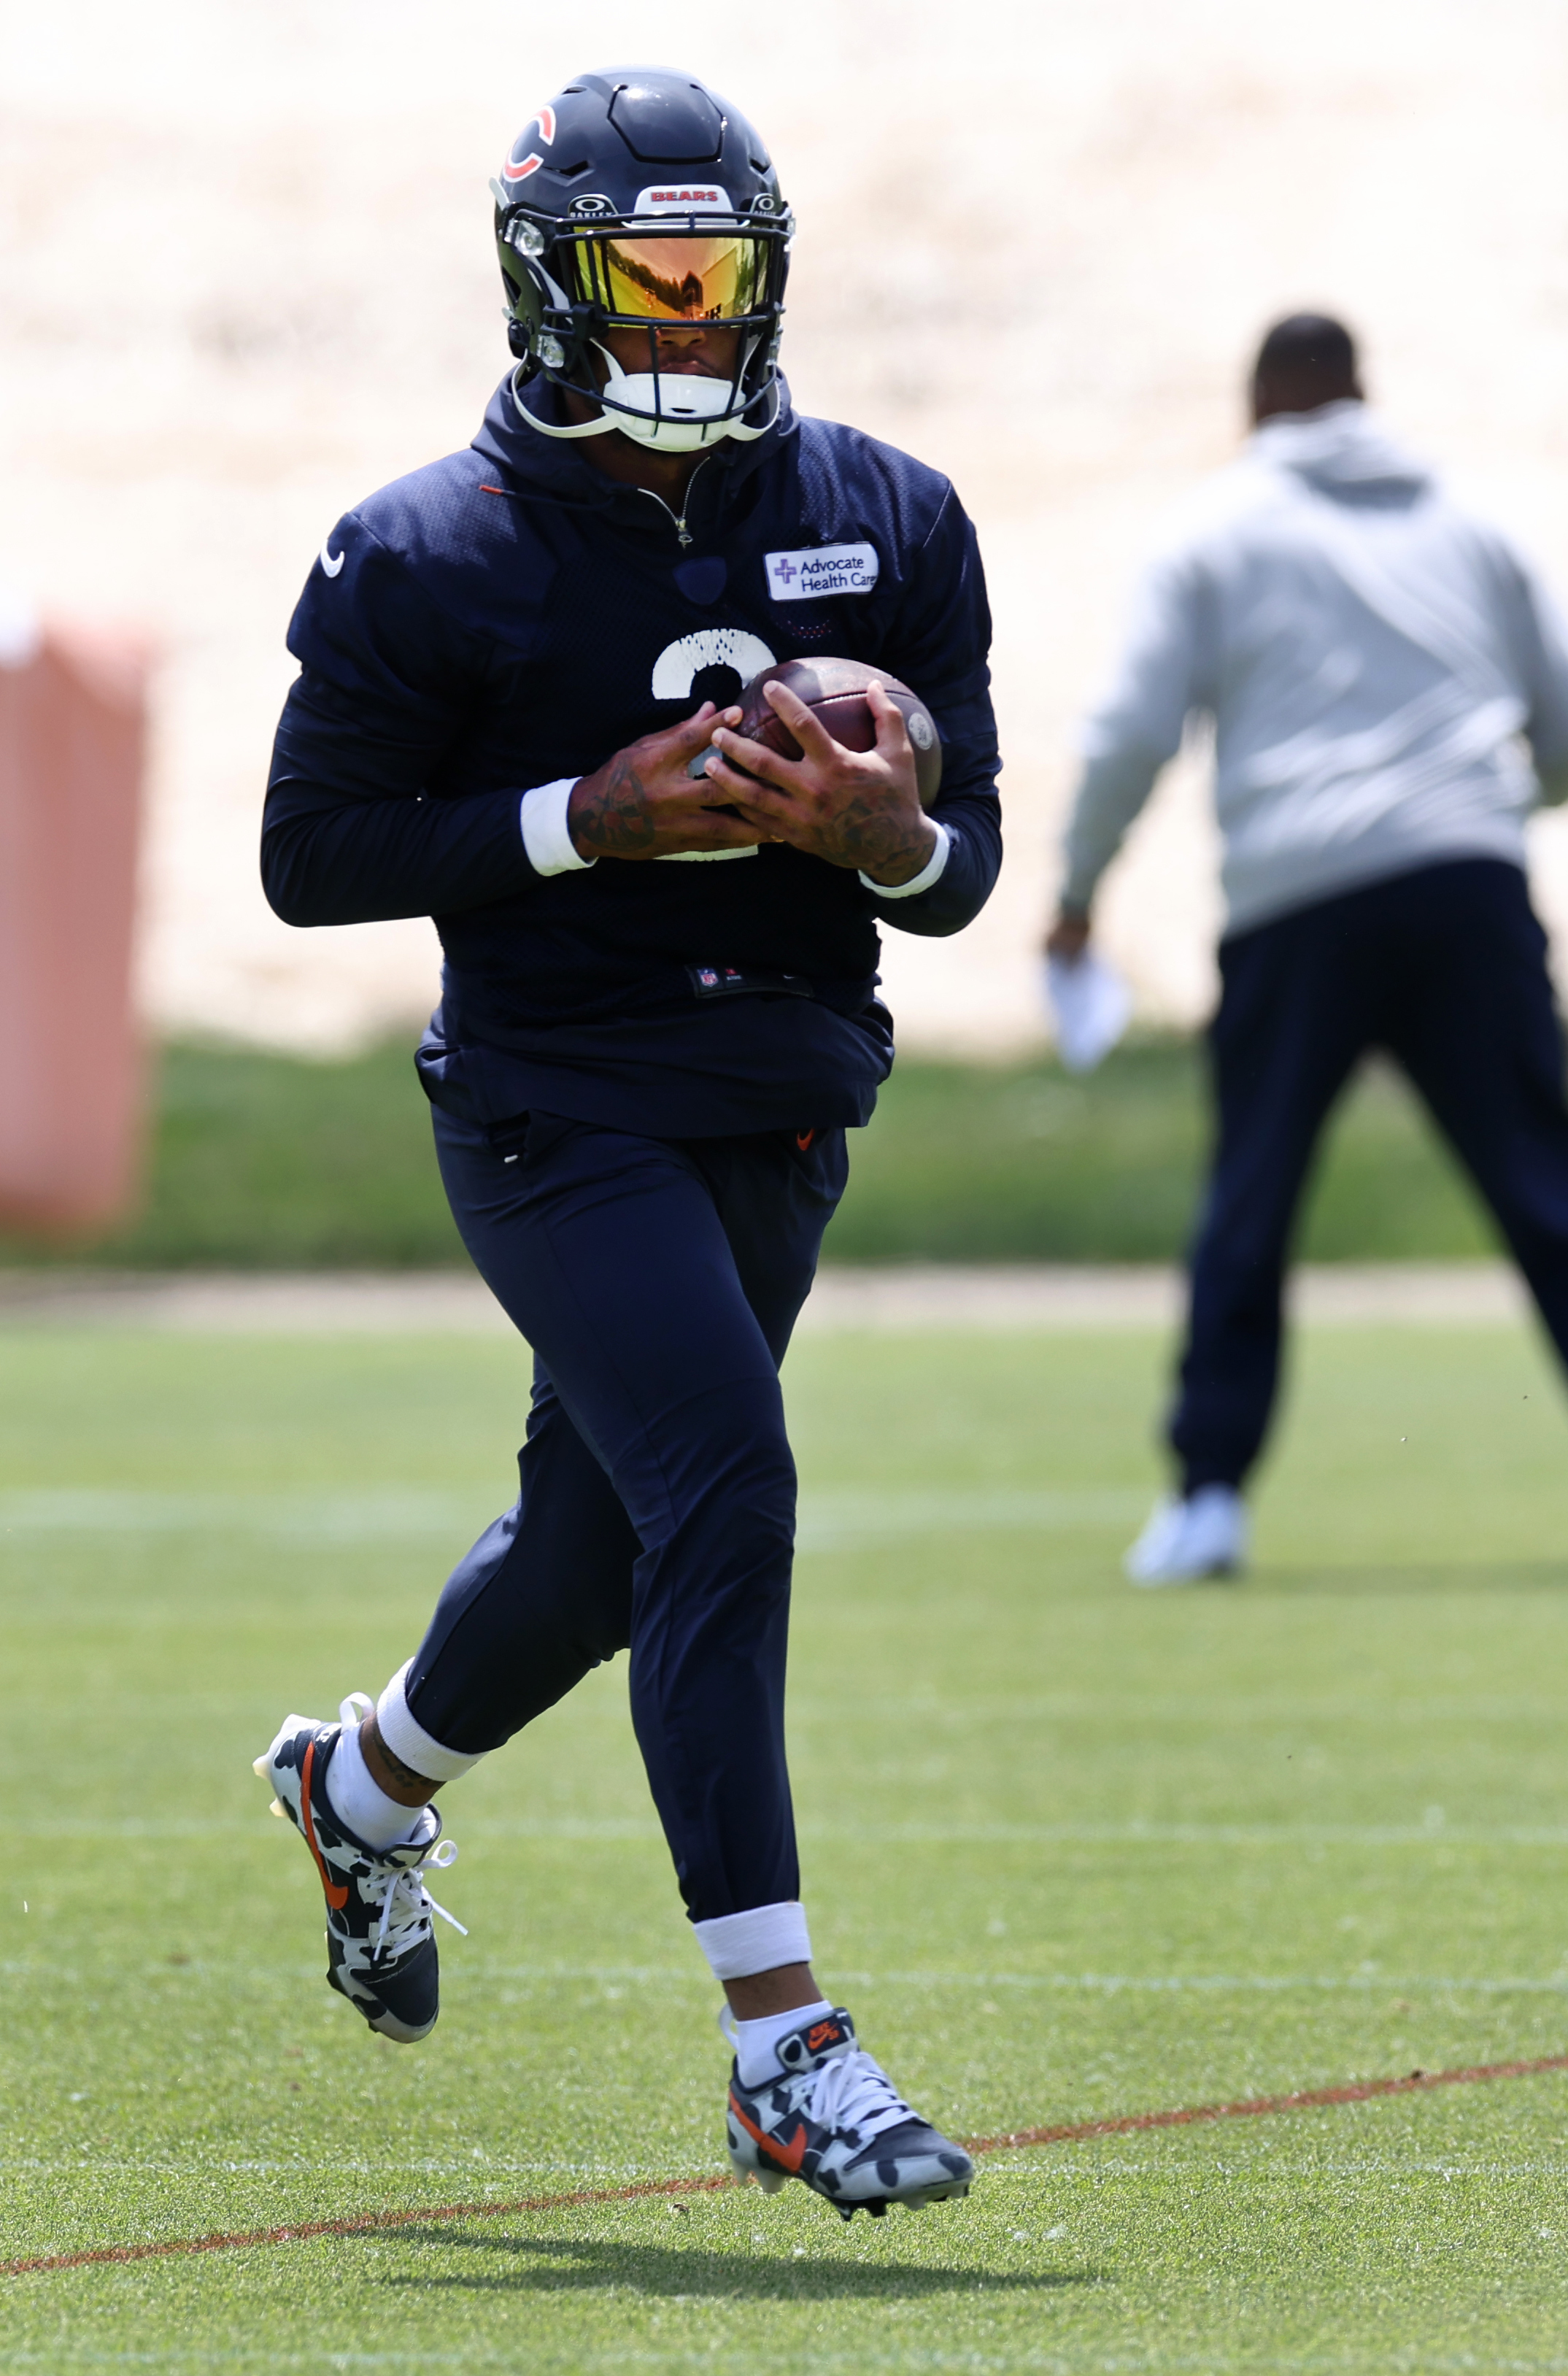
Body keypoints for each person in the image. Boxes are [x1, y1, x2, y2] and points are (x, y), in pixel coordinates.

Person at [250, 68, 991, 2218]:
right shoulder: (425, 550)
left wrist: (887, 833)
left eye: (715, 277)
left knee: (590, 1557)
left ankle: (361, 1787)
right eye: (643, 279)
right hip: (554, 1104)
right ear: (544, 287)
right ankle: (787, 2051)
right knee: (726, 1488)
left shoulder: (893, 509)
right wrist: (590, 817)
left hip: (777, 1097)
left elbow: (967, 870)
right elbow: (311, 858)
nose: (684, 319)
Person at [1050, 313, 1568, 1583]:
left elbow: (1128, 731)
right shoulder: (1467, 524)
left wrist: (1077, 892)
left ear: (1255, 405)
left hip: (1294, 900)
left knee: (1252, 1199)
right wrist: (1484, 807)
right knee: (1547, 1185)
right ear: (1363, 396)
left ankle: (1208, 1499)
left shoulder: (1214, 530)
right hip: (1466, 885)